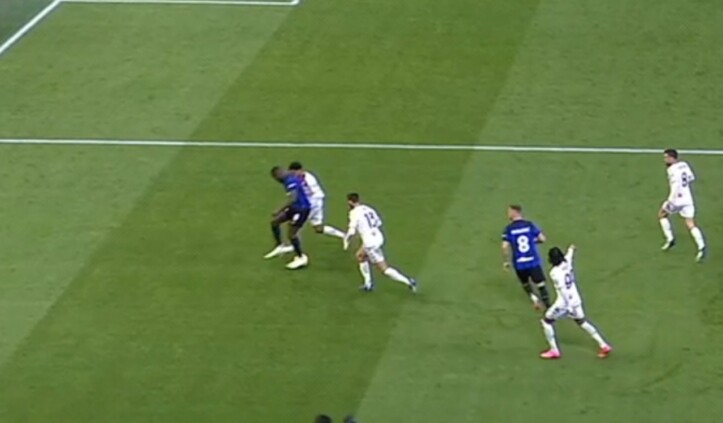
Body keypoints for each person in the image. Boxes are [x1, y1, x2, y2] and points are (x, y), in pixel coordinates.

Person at [539, 245, 612, 359]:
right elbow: (569, 256)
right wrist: (571, 249)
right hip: (576, 300)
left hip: (564, 303)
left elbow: (563, 290)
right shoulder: (567, 263)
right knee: (582, 322)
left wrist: (568, 307)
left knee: (546, 321)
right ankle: (603, 345)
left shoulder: (554, 273)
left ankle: (554, 350)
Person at [344, 193, 417, 292]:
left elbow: (352, 230)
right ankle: (368, 284)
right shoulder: (368, 208)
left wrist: (347, 239)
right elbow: (378, 222)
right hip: (378, 236)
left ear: (350, 202)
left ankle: (409, 281)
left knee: (384, 269)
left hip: (370, 243)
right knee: (360, 256)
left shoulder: (354, 213)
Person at [658, 149, 706, 262]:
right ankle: (701, 246)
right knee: (690, 223)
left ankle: (670, 238)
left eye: (666, 158)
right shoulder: (684, 164)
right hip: (688, 198)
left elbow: (675, 186)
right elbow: (691, 178)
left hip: (676, 200)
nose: (665, 160)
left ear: (672, 158)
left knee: (661, 215)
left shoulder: (671, 170)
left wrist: (670, 200)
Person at [501, 205, 551, 309]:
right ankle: (548, 307)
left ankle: (534, 299)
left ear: (515, 212)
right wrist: (532, 242)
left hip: (519, 263)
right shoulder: (529, 225)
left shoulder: (508, 229)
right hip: (533, 261)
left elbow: (505, 246)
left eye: (509, 212)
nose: (508, 214)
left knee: (525, 283)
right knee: (540, 284)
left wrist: (506, 261)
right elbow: (542, 239)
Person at [264, 166, 310, 269]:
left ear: (278, 176)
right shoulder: (288, 178)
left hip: (302, 209)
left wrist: (279, 210)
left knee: (292, 234)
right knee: (275, 222)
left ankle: (301, 257)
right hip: (294, 208)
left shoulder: (290, 181)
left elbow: (293, 198)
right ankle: (280, 246)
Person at [288, 161, 346, 242]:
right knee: (318, 228)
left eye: (293, 172)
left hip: (314, 203)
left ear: (299, 170)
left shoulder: (306, 179)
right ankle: (344, 236)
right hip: (318, 201)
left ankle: (292, 245)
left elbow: (310, 193)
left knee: (295, 222)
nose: (293, 175)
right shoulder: (305, 176)